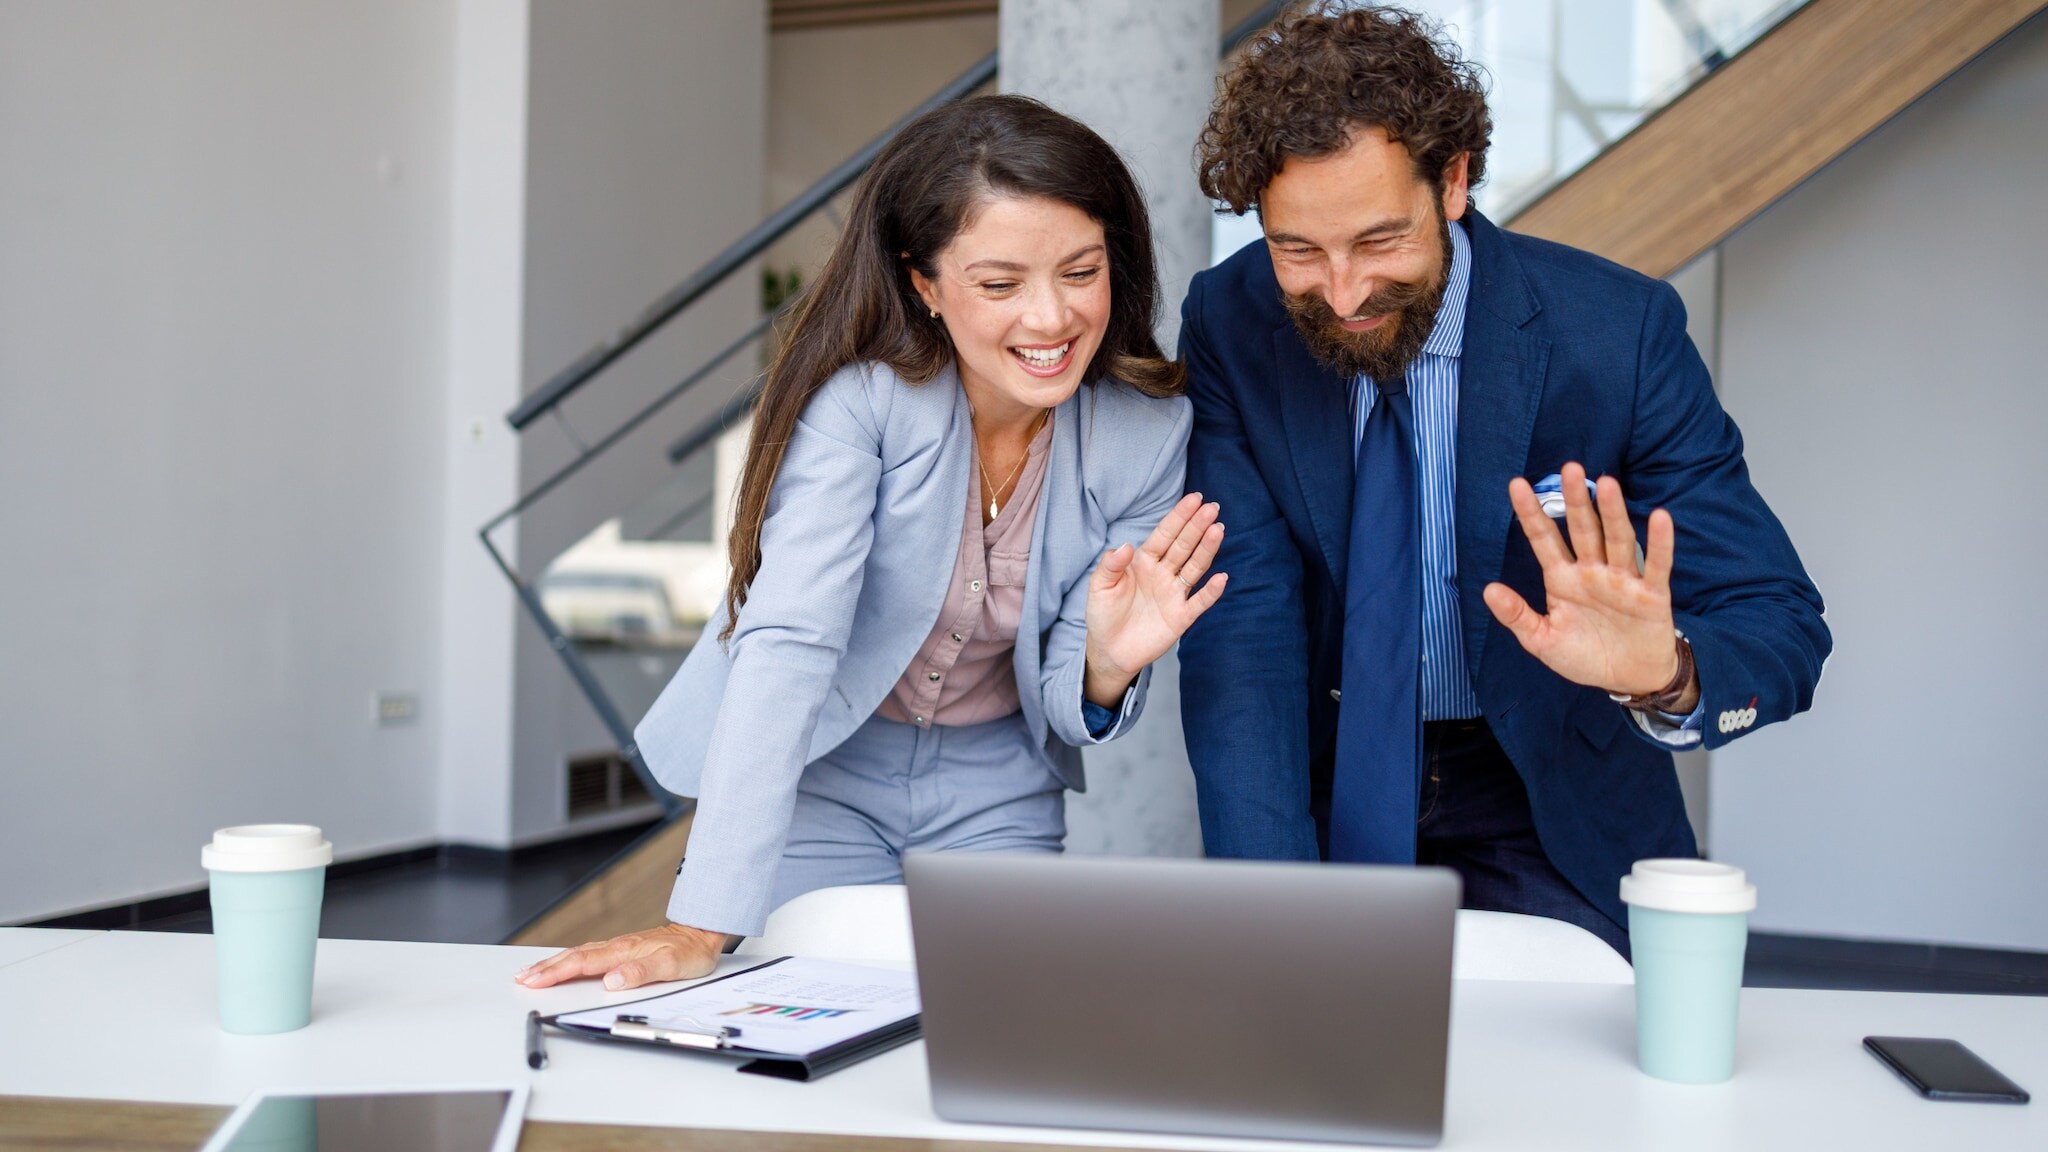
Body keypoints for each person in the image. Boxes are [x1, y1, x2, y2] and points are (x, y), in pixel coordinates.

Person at [517, 95, 1227, 991]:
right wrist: (699, 925)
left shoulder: (1145, 433)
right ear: (925, 284)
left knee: (999, 1030)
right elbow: (790, 640)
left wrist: (1103, 668)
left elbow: (1062, 691)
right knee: (802, 1026)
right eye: (1000, 284)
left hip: (998, 787)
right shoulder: (863, 406)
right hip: (825, 768)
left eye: (1080, 272)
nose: (1050, 320)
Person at [1176, 5, 1829, 955]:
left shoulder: (1619, 333)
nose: (1345, 292)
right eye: (1298, 250)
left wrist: (1670, 674)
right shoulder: (1230, 317)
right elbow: (1247, 632)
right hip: (1324, 773)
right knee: (1314, 1069)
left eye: (1378, 240)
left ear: (1454, 181)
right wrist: (1270, 914)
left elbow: (1779, 618)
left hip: (1546, 791)